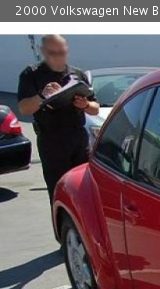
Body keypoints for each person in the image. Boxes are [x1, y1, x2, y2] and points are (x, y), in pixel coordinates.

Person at [17, 34, 99, 204]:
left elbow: (95, 108)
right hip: (51, 140)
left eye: (62, 52)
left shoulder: (77, 74)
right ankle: (63, 226)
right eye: (53, 53)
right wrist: (42, 96)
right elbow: (24, 108)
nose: (58, 57)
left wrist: (84, 105)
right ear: (43, 52)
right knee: (59, 192)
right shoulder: (31, 74)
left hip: (78, 139)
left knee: (83, 190)